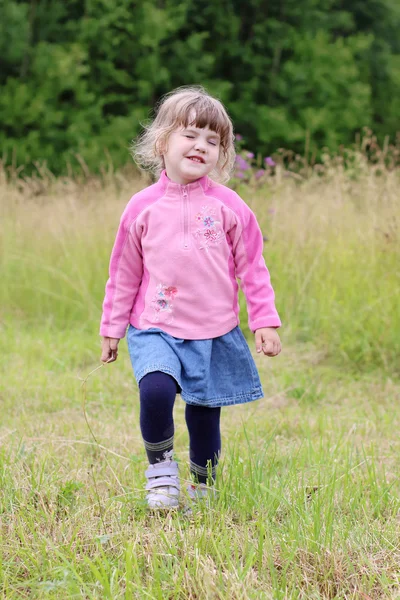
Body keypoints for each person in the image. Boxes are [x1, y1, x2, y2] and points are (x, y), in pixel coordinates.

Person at [100, 86, 282, 510]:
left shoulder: (230, 207)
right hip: (154, 326)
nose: (201, 145)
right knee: (157, 390)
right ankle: (161, 472)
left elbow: (252, 266)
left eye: (213, 140)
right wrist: (112, 326)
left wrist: (264, 319)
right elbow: (124, 272)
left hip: (213, 330)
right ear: (162, 142)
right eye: (191, 134)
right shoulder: (141, 207)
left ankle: (203, 484)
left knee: (203, 414)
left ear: (221, 154)